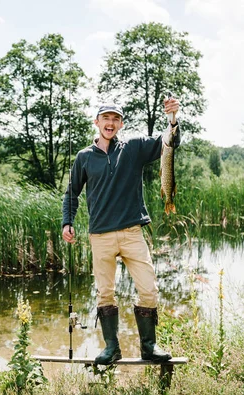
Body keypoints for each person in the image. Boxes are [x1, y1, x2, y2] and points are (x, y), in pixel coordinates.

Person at [61, 99, 180, 365]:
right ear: (97, 122)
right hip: (100, 235)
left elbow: (168, 144)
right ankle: (112, 348)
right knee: (105, 293)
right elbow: (71, 194)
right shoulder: (84, 157)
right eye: (106, 118)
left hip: (131, 232)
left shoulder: (134, 147)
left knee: (148, 289)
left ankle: (149, 347)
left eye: (116, 119)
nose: (110, 123)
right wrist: (67, 222)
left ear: (121, 124)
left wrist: (172, 119)